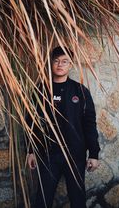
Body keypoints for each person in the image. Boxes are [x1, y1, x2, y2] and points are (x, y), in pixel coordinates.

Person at [26, 46, 100, 208]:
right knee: (43, 199)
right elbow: (31, 121)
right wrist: (31, 151)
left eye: (65, 61)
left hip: (75, 155)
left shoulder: (80, 91)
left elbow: (89, 123)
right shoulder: (41, 90)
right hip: (48, 155)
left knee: (77, 199)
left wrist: (93, 153)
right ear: (51, 63)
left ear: (71, 64)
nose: (60, 65)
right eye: (56, 61)